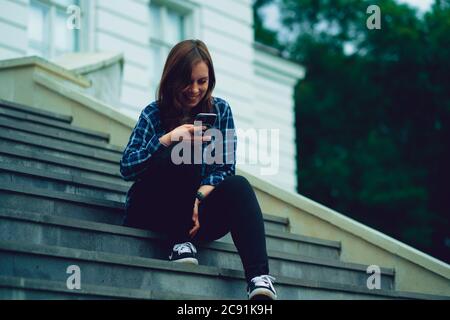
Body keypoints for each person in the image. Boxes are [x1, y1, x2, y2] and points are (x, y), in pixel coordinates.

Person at [119, 39, 277, 300]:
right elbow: (127, 167)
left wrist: (197, 199)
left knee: (239, 185)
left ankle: (258, 278)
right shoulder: (153, 113)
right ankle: (178, 242)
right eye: (187, 82)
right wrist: (167, 139)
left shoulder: (220, 110)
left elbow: (224, 167)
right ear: (172, 79)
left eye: (201, 81)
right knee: (184, 149)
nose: (194, 90)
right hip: (153, 209)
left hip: (196, 216)